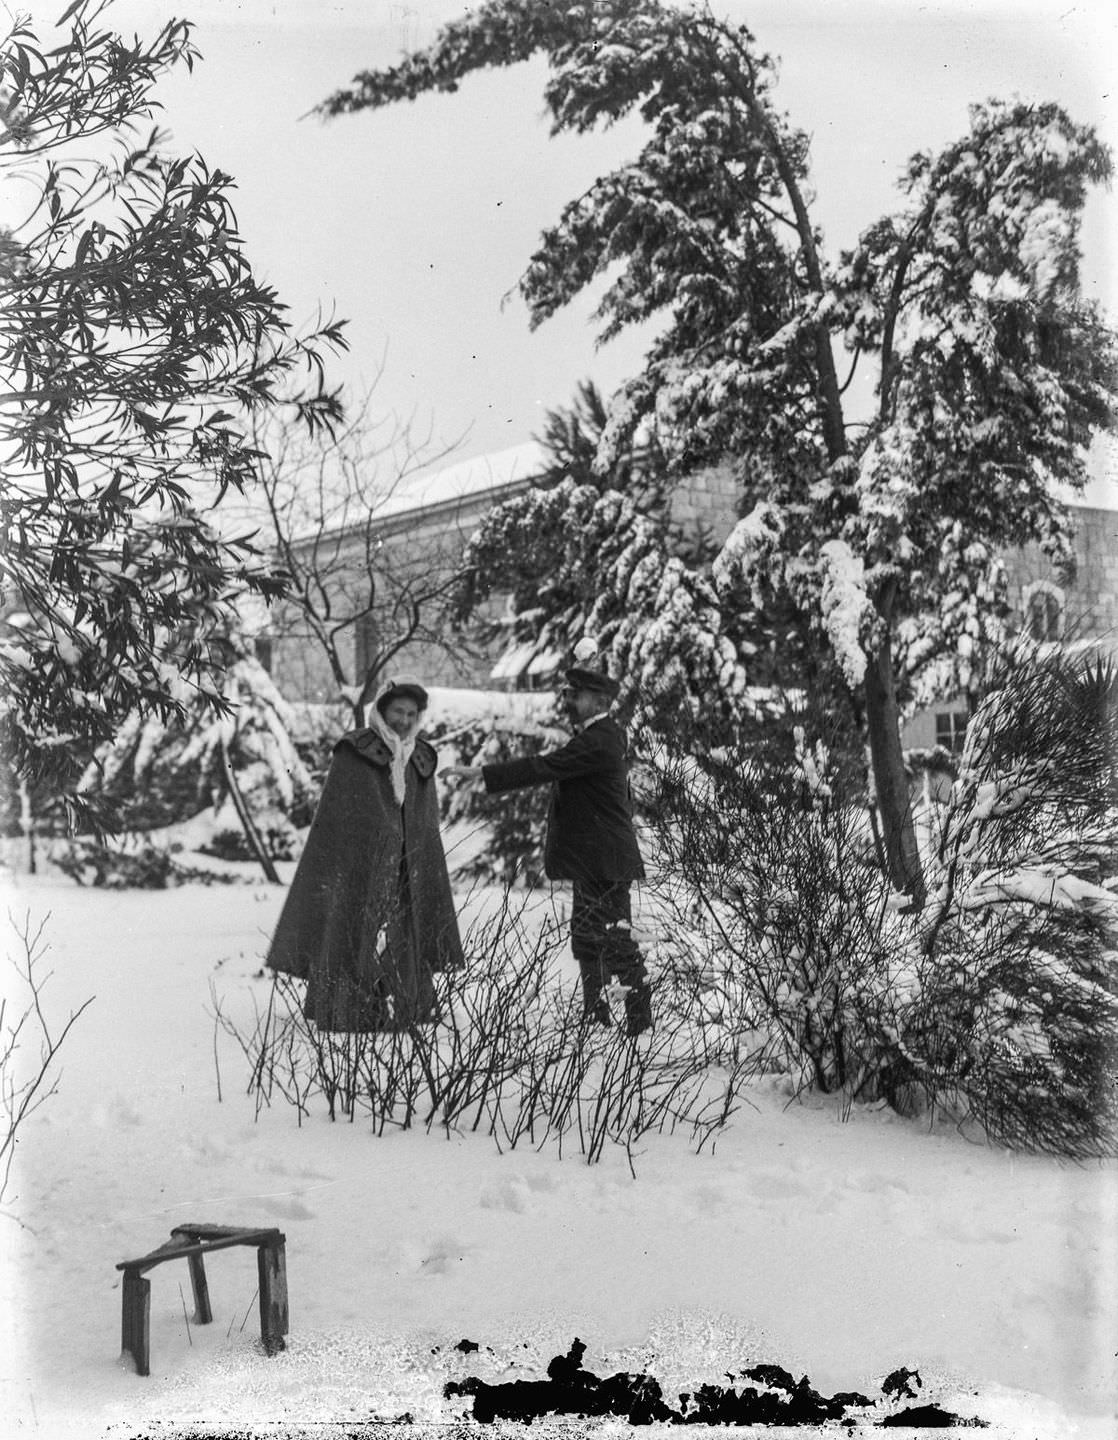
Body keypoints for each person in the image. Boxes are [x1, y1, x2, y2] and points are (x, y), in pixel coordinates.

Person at [446, 650, 651, 1036]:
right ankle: (598, 1017)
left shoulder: (599, 740)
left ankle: (640, 1026)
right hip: (597, 862)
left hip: (603, 863)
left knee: (615, 943)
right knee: (589, 941)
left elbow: (545, 766)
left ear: (600, 702)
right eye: (569, 693)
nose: (568, 700)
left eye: (576, 694)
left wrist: (483, 774)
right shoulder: (598, 737)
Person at [268, 675, 463, 1031]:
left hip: (407, 868)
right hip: (361, 867)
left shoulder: (420, 756)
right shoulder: (355, 751)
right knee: (353, 930)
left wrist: (410, 851)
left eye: (410, 713)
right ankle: (351, 1009)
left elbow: (423, 820)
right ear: (381, 710)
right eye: (397, 712)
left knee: (407, 932)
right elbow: (342, 817)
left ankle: (407, 1004)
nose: (403, 720)